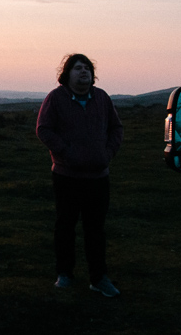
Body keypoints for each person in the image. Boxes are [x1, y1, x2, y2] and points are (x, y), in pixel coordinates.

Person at [36, 53, 124, 297]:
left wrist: (107, 154)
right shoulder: (56, 99)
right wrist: (66, 153)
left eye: (87, 68)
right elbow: (43, 129)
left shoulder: (102, 98)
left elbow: (116, 128)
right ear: (67, 74)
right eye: (77, 68)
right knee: (65, 225)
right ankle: (64, 275)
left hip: (98, 177)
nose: (83, 72)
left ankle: (99, 278)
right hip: (67, 176)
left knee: (95, 229)